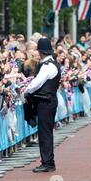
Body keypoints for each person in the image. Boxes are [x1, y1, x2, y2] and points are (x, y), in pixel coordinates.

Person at [24, 38, 61, 172]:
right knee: (46, 132)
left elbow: (36, 83)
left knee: (44, 133)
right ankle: (48, 161)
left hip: (45, 102)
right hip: (49, 100)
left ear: (41, 52)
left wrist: (26, 91)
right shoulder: (54, 64)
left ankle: (47, 162)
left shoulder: (47, 66)